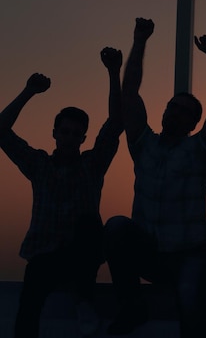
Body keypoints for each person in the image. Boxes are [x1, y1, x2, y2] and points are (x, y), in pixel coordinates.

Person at [103, 18, 206, 338]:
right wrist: (140, 40)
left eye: (184, 111)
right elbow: (129, 93)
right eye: (172, 107)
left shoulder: (199, 149)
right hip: (150, 254)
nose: (175, 113)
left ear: (193, 122)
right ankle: (132, 307)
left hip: (190, 254)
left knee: (189, 300)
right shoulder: (143, 145)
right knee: (117, 226)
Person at [0, 47, 123, 338]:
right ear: (54, 133)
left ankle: (84, 301)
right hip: (45, 257)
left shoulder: (92, 165)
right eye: (63, 132)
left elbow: (116, 122)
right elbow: (1, 130)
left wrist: (113, 71)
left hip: (81, 257)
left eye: (75, 133)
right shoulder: (39, 165)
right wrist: (29, 91)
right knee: (29, 302)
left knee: (90, 224)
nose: (68, 138)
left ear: (83, 138)